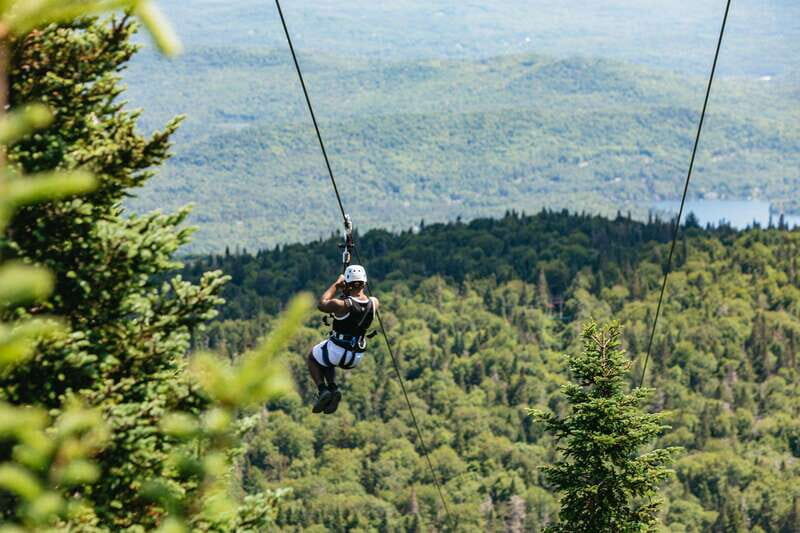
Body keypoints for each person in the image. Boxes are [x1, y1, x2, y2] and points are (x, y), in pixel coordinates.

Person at [307, 265, 379, 414]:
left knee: (313, 357)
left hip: (338, 349)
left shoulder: (341, 305)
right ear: (365, 283)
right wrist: (347, 290)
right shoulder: (374, 302)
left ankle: (322, 389)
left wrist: (336, 285)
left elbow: (322, 303)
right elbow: (359, 305)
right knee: (326, 359)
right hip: (356, 356)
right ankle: (333, 388)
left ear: (347, 283)